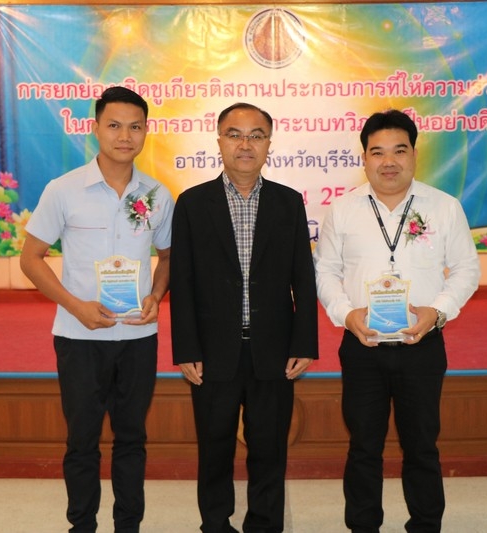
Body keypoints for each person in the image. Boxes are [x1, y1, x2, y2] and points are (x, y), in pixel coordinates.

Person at [313, 109, 480, 533]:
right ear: (364, 158)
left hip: (421, 345)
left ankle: (425, 525)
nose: (389, 162)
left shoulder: (444, 207)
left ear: (414, 155)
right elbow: (325, 271)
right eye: (378, 152)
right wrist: (345, 314)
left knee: (421, 445)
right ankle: (363, 526)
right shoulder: (343, 209)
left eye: (399, 151)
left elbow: (466, 270)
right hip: (362, 345)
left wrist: (438, 311)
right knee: (363, 446)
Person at [20, 86, 174, 533]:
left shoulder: (158, 194)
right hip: (79, 336)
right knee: (82, 440)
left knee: (132, 439)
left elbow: (168, 256)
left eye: (135, 127)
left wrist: (156, 295)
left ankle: (129, 525)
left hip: (138, 337)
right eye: (114, 125)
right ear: (95, 129)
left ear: (145, 131)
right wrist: (75, 306)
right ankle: (82, 525)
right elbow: (31, 258)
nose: (124, 136)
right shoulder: (64, 189)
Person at [169, 102, 319, 533]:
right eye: (235, 134)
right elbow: (182, 281)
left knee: (269, 449)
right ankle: (215, 525)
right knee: (214, 449)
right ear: (219, 141)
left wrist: (304, 343)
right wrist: (186, 348)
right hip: (212, 351)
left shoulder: (288, 202)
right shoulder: (192, 203)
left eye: (256, 135)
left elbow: (303, 278)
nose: (245, 144)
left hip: (274, 349)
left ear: (269, 143)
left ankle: (264, 525)